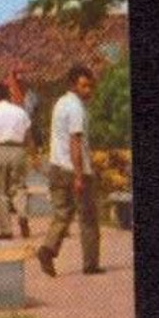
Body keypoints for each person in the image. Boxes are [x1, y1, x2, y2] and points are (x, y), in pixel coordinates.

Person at [36, 66, 103, 277]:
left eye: (90, 85)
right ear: (73, 85)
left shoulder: (60, 103)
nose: (88, 90)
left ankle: (47, 249)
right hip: (73, 169)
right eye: (84, 85)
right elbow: (75, 141)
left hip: (56, 166)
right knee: (89, 218)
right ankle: (90, 264)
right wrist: (79, 175)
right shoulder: (76, 108)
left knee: (62, 214)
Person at [0, 83, 34, 239]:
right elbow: (29, 136)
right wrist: (33, 155)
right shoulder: (20, 112)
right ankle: (22, 214)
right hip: (18, 150)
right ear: (8, 96)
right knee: (19, 187)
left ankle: (6, 230)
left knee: (0, 191)